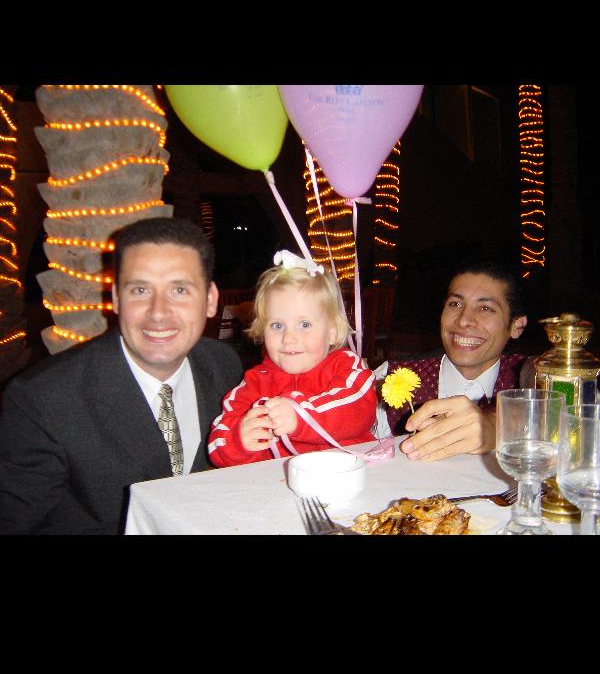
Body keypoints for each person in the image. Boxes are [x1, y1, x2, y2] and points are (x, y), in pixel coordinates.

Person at [0, 217, 244, 534]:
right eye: (140, 290)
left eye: (179, 290)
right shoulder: (42, 399)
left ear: (210, 300)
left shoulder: (223, 364)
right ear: (116, 298)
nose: (158, 312)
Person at [208, 250, 377, 467]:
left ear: (332, 332)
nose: (288, 338)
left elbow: (358, 409)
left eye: (304, 325)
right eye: (277, 325)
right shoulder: (254, 382)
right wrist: (239, 440)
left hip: (347, 475)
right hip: (277, 483)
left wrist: (300, 415)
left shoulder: (347, 367)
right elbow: (218, 441)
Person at [376, 260, 529, 461]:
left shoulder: (530, 375)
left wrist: (498, 423)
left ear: (516, 326)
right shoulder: (391, 376)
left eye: (485, 308)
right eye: (455, 304)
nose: (464, 320)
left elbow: (556, 405)